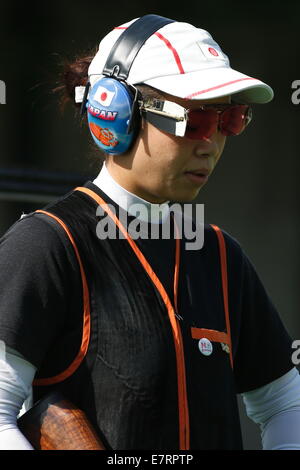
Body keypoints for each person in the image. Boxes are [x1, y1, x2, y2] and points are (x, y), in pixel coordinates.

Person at [0, 14, 299, 451]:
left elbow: (284, 403)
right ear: (114, 112)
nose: (211, 142)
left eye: (230, 119)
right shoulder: (46, 246)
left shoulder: (220, 256)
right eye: (195, 120)